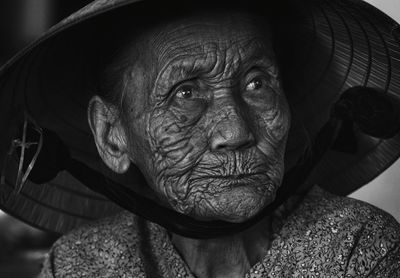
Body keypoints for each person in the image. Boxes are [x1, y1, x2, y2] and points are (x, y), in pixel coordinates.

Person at [0, 0, 399, 277]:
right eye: (185, 93)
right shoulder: (78, 265)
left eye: (257, 83)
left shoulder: (358, 249)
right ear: (112, 135)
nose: (235, 132)